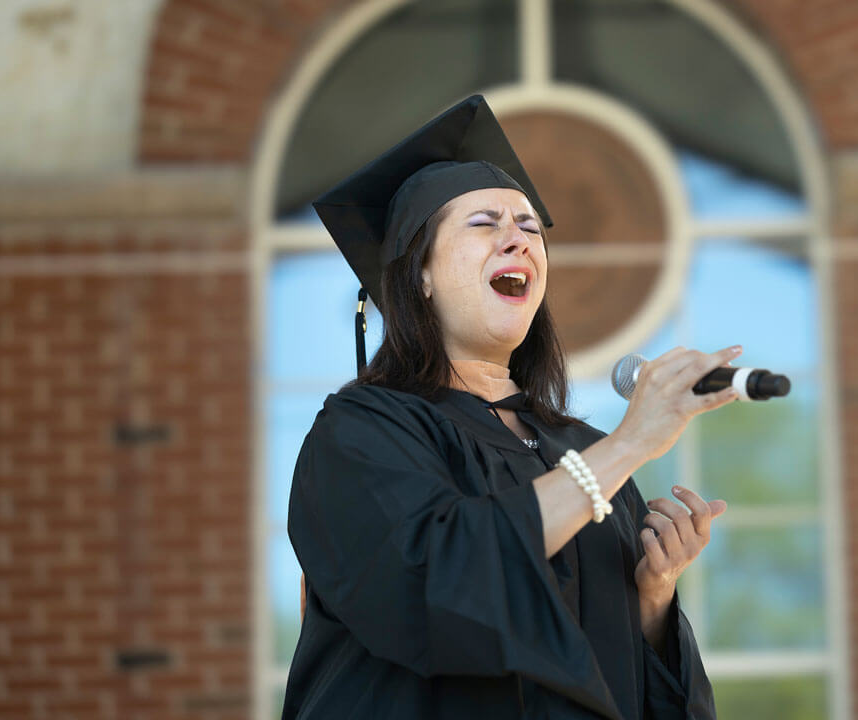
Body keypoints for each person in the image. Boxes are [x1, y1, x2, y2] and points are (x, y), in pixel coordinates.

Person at [282, 95, 740, 719]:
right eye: (484, 223)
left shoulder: (581, 448)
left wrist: (653, 605)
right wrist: (630, 446)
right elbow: (437, 584)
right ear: (420, 272)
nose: (517, 240)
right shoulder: (362, 434)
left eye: (529, 227)